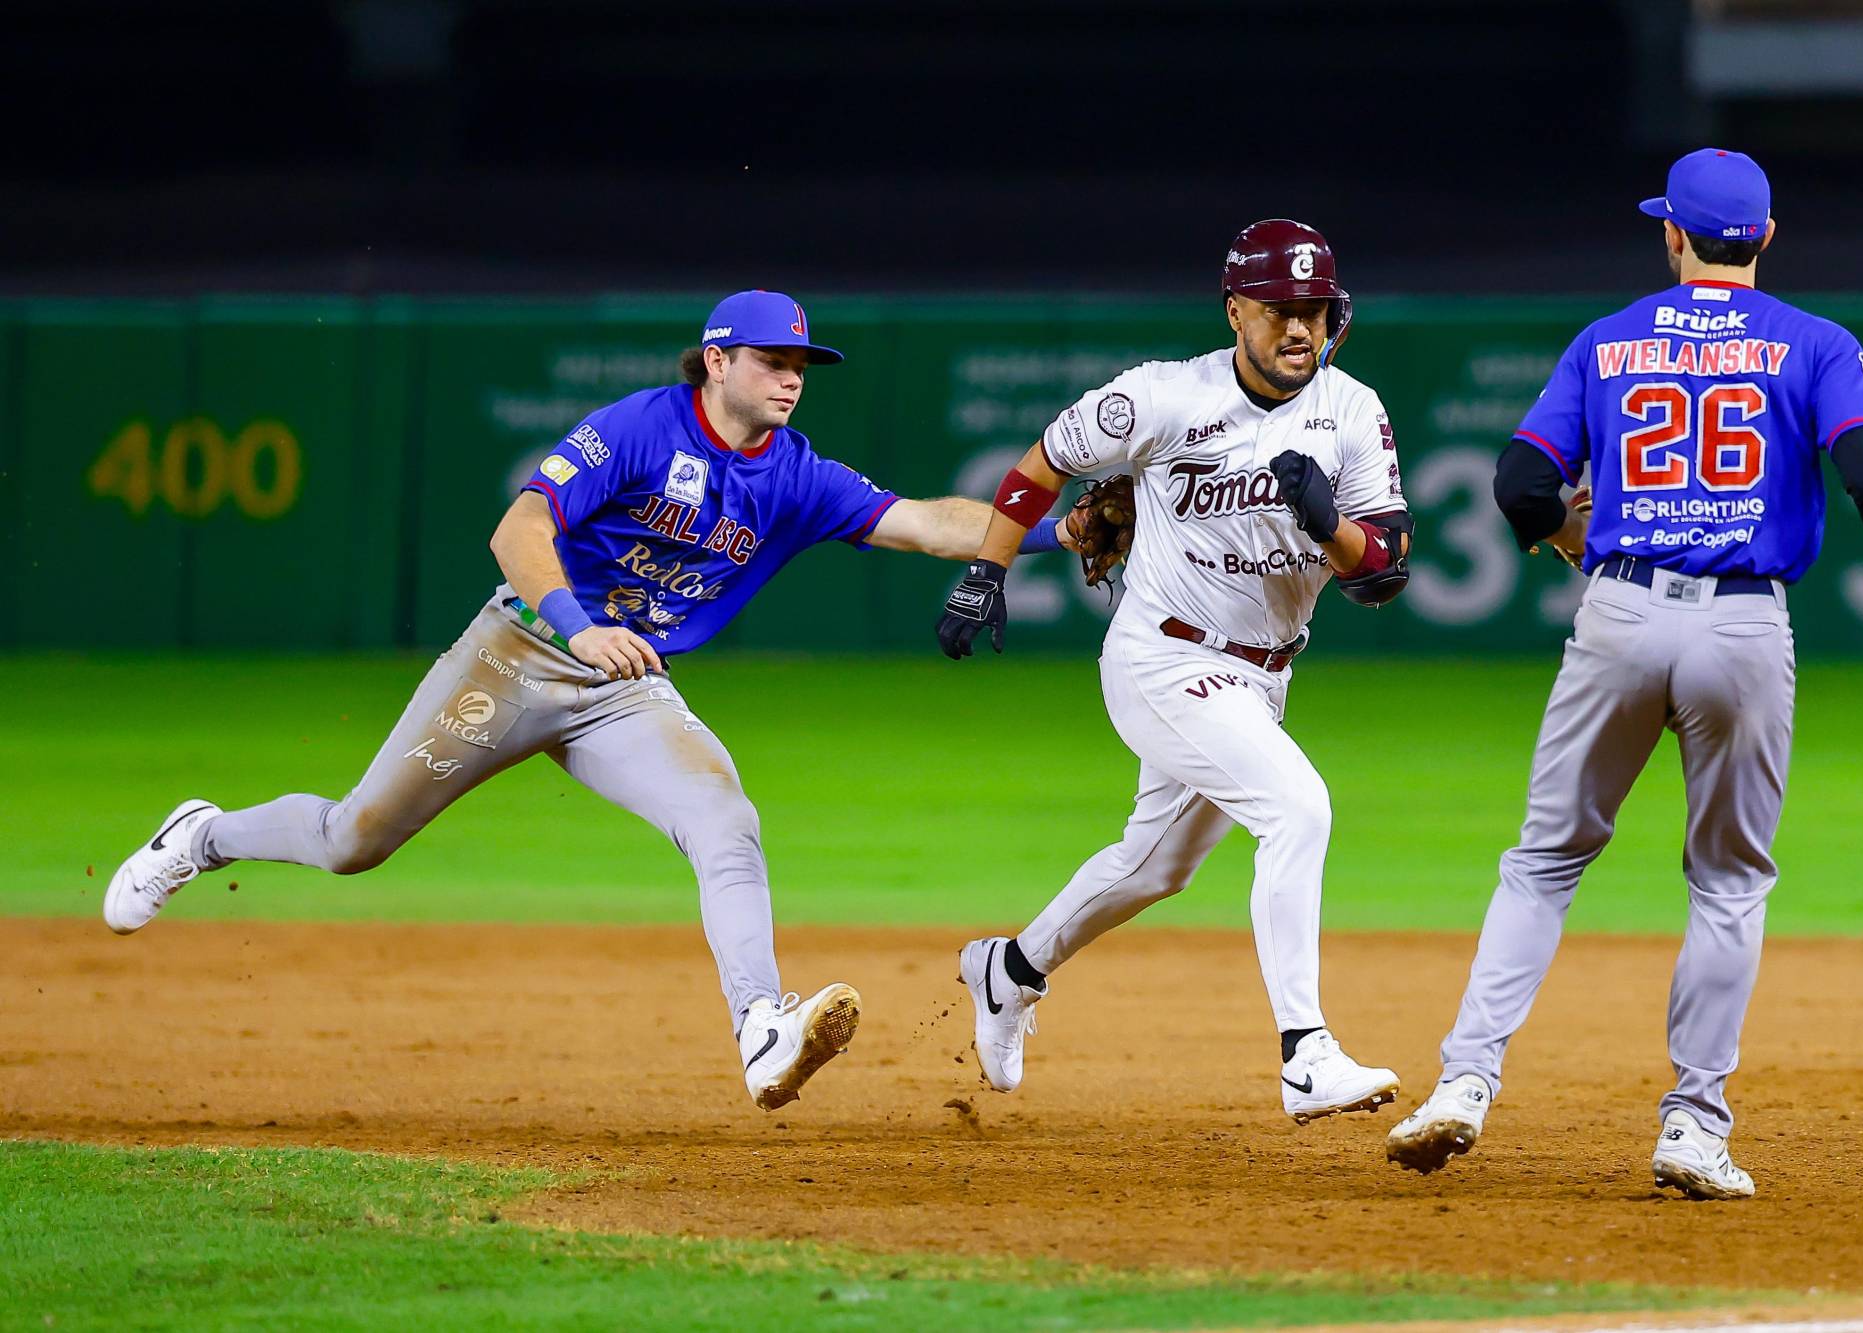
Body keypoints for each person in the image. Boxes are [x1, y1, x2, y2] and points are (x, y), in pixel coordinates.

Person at [102, 289, 1082, 1114]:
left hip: (624, 689)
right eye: (773, 358)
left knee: (723, 821)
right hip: (520, 653)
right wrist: (574, 621)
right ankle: (202, 837)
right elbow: (517, 527)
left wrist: (1060, 530)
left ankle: (760, 1026)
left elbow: (931, 522)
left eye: (801, 362)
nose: (792, 375)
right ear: (716, 359)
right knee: (354, 839)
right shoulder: (639, 427)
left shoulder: (794, 473)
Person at [1386, 150, 1863, 1198]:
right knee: (1728, 882)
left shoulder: (1607, 341)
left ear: (1670, 235)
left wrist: (1567, 541)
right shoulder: (1812, 342)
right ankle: (1692, 1125)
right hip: (1741, 628)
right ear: (1766, 239)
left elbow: (1518, 483)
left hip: (1618, 609)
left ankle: (1462, 1084)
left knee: (1543, 862)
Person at [935, 219, 1416, 1124]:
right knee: (1297, 807)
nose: (1298, 328)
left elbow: (1384, 574)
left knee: (1154, 867)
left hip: (1264, 677)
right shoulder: (1160, 397)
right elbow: (1043, 460)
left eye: (1313, 308)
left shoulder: (1354, 410)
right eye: (1277, 310)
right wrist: (984, 570)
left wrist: (1330, 526)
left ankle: (1010, 968)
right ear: (1236, 309)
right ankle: (1304, 1052)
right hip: (1163, 655)